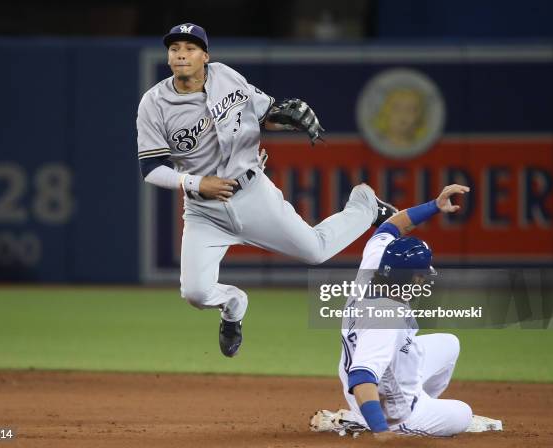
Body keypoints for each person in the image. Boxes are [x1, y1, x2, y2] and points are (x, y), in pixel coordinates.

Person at [136, 22, 397, 358]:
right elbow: (151, 169)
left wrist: (284, 118)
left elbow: (266, 113)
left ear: (205, 56)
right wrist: (197, 183)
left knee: (316, 251)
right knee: (196, 294)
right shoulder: (154, 103)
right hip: (204, 210)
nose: (181, 54)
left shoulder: (226, 76)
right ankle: (233, 305)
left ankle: (365, 206)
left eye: (189, 48)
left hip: (252, 195)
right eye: (174, 49)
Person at [310, 184, 502, 438]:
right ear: (410, 279)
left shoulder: (377, 262)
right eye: (421, 276)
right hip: (384, 403)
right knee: (462, 414)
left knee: (449, 344)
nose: (424, 280)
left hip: (383, 369)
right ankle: (379, 422)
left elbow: (391, 226)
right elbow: (362, 376)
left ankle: (417, 403)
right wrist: (381, 430)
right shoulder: (384, 319)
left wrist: (435, 205)